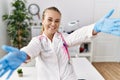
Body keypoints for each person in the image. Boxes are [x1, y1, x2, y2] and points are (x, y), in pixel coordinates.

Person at [0, 6, 120, 80]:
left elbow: (77, 35)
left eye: (57, 21)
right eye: (50, 20)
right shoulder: (38, 41)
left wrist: (95, 28)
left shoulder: (63, 38)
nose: (53, 24)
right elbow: (31, 49)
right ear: (43, 21)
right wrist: (22, 55)